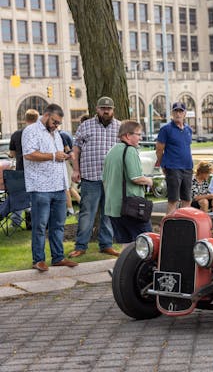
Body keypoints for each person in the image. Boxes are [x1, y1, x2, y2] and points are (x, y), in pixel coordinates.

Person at [22, 103, 78, 272]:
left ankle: (58, 257)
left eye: (58, 123)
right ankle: (38, 259)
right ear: (46, 116)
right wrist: (54, 156)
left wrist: (64, 157)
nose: (56, 125)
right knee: (40, 225)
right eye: (54, 121)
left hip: (59, 186)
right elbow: (29, 154)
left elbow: (58, 155)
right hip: (40, 187)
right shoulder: (31, 131)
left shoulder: (56, 134)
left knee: (58, 225)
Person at [69, 96, 120, 258]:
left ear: (113, 110)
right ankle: (80, 246)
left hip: (112, 179)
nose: (106, 111)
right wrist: (75, 170)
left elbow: (125, 151)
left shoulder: (120, 127)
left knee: (108, 214)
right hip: (90, 177)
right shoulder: (85, 125)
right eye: (103, 108)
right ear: (97, 109)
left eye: (109, 108)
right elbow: (75, 150)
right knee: (87, 213)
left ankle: (106, 244)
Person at [102, 120, 154, 245]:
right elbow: (136, 177)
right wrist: (149, 180)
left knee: (126, 246)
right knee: (147, 243)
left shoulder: (111, 151)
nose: (140, 138)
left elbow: (105, 179)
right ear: (127, 135)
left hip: (112, 208)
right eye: (138, 134)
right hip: (131, 208)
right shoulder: (130, 150)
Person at [156, 102, 194, 214]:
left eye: (181, 111)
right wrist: (163, 164)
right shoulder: (166, 129)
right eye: (176, 111)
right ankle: (169, 227)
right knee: (173, 200)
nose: (178, 114)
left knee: (187, 199)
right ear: (172, 113)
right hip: (173, 168)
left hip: (187, 167)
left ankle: (185, 225)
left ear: (185, 113)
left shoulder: (188, 129)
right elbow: (159, 149)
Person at [8, 109, 38, 228]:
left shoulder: (16, 134)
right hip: (36, 169)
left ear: (25, 119)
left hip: (21, 169)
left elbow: (12, 153)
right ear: (37, 119)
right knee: (35, 196)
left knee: (19, 195)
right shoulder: (39, 133)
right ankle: (33, 221)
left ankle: (16, 221)